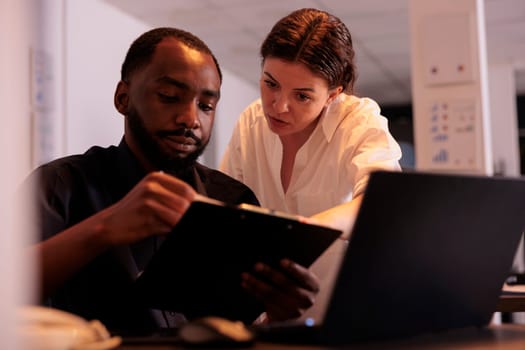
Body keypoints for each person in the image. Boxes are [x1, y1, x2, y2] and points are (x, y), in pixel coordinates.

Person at [22, 27, 320, 334]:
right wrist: (104, 228)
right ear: (123, 98)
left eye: (206, 106)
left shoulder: (232, 200)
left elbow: (244, 326)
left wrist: (277, 313)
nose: (190, 119)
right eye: (169, 97)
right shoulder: (60, 185)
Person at [220, 8, 402, 237]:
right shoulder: (251, 122)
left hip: (337, 273)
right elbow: (223, 202)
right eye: (271, 84)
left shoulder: (358, 122)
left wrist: (302, 233)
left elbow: (380, 202)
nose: (278, 107)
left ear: (333, 95)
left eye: (302, 96)